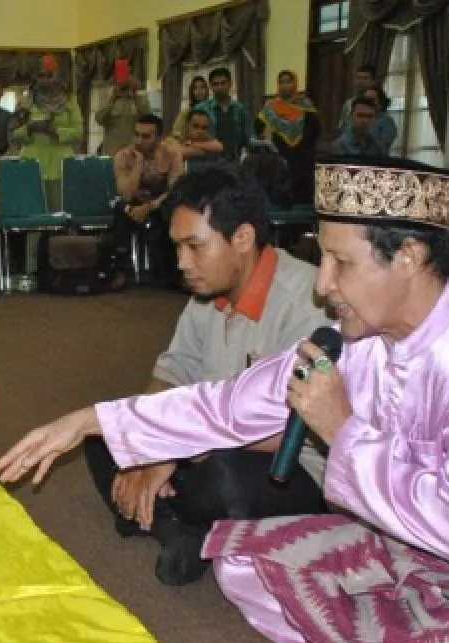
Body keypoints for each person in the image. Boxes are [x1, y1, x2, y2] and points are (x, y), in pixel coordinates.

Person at [0, 155, 449, 643]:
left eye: (341, 262)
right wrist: (91, 420)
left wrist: (341, 428)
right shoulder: (355, 341)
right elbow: (224, 406)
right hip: (397, 544)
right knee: (240, 565)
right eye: (322, 257)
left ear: (409, 258)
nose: (322, 284)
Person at [88, 164, 330, 584]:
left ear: (242, 238)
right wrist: (146, 446)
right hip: (203, 444)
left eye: (195, 247)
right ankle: (180, 529)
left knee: (225, 478)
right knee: (105, 433)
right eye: (178, 247)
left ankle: (165, 515)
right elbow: (171, 373)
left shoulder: (308, 303)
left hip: (288, 465)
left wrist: (172, 449)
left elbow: (287, 430)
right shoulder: (206, 296)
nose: (182, 263)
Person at [112, 113, 184, 288]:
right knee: (120, 209)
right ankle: (123, 271)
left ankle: (168, 273)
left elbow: (174, 190)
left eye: (146, 136)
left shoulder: (172, 153)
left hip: (160, 203)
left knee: (172, 207)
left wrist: (149, 206)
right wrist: (138, 163)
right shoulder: (123, 156)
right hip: (133, 206)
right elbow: (126, 194)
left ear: (158, 138)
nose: (139, 141)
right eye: (136, 135)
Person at [11, 54, 83, 211]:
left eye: (49, 76)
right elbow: (13, 135)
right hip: (32, 165)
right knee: (33, 211)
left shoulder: (70, 101)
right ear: (35, 78)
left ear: (57, 76)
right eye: (41, 76)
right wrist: (30, 128)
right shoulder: (25, 102)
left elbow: (79, 133)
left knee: (60, 213)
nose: (45, 80)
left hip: (62, 165)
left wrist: (55, 131)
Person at [256, 70, 320, 205]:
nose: (285, 85)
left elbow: (315, 129)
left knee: (302, 192)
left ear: (295, 84)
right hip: (279, 153)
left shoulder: (305, 104)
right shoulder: (270, 106)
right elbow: (256, 127)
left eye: (289, 82)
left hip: (303, 155)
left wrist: (306, 144)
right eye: (282, 82)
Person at [196, 67, 254, 162]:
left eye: (223, 83)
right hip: (208, 162)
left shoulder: (240, 109)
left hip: (235, 161)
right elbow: (192, 136)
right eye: (215, 84)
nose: (220, 87)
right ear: (210, 86)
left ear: (230, 84)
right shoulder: (201, 109)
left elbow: (250, 136)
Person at [94, 59, 148, 155]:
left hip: (133, 151)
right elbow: (99, 119)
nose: (121, 83)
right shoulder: (107, 94)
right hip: (112, 150)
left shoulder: (138, 95)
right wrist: (112, 101)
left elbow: (146, 118)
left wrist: (136, 95)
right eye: (118, 80)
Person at [339, 65, 377, 132]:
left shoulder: (377, 104)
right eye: (358, 78)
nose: (361, 81)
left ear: (373, 81)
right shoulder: (348, 103)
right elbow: (343, 127)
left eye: (365, 78)